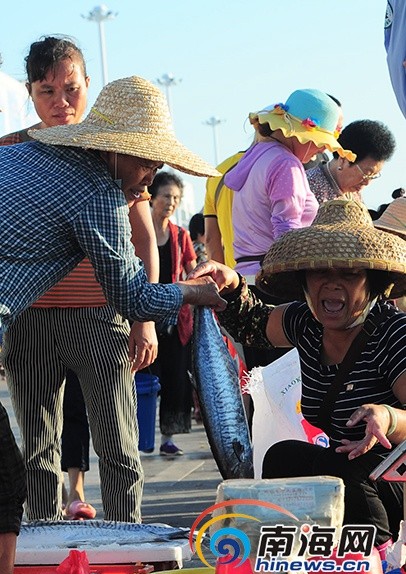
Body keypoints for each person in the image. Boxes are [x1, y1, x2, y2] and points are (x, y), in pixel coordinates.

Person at [0, 74, 223, 574]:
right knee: (13, 479)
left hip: (64, 321)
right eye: (143, 160)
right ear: (113, 151)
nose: (148, 175)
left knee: (44, 459)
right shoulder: (97, 190)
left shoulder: (23, 158)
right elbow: (132, 297)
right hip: (48, 322)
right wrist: (192, 293)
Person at [189, 198, 406, 558]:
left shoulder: (393, 333)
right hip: (346, 467)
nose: (333, 285)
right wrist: (229, 286)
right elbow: (252, 323)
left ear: (372, 283)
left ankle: (376, 566)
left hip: (392, 475)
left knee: (348, 476)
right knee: (282, 459)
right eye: (321, 273)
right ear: (305, 281)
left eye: (349, 274)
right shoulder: (305, 322)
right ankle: (312, 558)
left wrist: (387, 417)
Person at [0, 36, 160, 523]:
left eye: (70, 88)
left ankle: (127, 546)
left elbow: (145, 240)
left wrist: (144, 319)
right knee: (37, 449)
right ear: (30, 93)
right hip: (29, 319)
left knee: (119, 445)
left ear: (88, 85)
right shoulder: (10, 152)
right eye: (47, 91)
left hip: (101, 315)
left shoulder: (116, 151)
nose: (61, 102)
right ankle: (44, 550)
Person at [225, 89, 354, 375]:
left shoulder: (258, 154)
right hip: (276, 285)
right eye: (319, 142)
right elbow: (288, 236)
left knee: (262, 384)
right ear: (299, 132)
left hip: (249, 279)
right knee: (288, 386)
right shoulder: (286, 164)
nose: (322, 150)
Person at [147, 172, 197, 456]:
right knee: (141, 377)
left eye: (176, 198)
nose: (171, 202)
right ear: (153, 197)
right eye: (166, 196)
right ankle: (139, 432)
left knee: (175, 378)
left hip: (176, 317)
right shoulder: (137, 230)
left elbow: (192, 270)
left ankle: (168, 437)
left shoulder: (181, 235)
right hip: (143, 314)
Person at [306, 119, 396, 204]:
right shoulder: (307, 188)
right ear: (343, 160)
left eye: (374, 176)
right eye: (367, 174)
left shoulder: (355, 195)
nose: (367, 182)